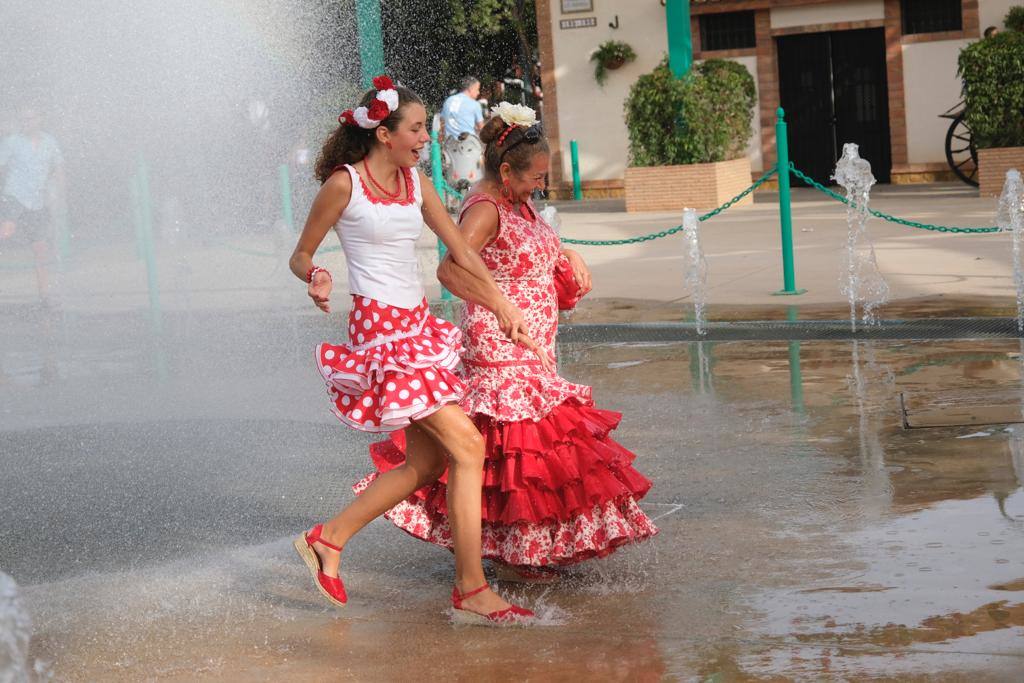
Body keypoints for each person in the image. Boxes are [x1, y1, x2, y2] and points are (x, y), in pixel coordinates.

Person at [289, 77, 551, 625]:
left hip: (417, 328)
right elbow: (301, 254)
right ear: (384, 134)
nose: (425, 139)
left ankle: (328, 539)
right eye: (415, 129)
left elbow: (461, 253)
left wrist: (502, 307)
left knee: (429, 460)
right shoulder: (345, 185)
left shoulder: (417, 185)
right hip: (380, 334)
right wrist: (316, 275)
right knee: (469, 445)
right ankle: (472, 588)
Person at [361, 103, 658, 581]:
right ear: (505, 169)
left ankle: (520, 547)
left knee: (522, 453)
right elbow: (450, 269)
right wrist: (499, 305)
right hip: (501, 345)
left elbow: (529, 245)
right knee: (523, 447)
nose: (541, 185)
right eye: (535, 176)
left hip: (533, 341)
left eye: (544, 176)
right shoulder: (484, 207)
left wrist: (568, 255)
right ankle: (516, 553)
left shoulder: (519, 200)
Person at [0, 105, 65, 305]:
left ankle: (44, 295)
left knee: (40, 248)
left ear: (40, 119)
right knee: (6, 231)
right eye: (24, 119)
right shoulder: (13, 142)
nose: (27, 122)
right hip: (15, 196)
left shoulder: (49, 142)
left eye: (31, 118)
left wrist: (60, 193)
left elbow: (59, 167)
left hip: (37, 201)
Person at [440, 76, 484, 141]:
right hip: (467, 145)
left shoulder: (449, 100)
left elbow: (442, 121)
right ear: (471, 89)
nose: (478, 93)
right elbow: (482, 129)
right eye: (477, 89)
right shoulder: (474, 104)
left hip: (449, 144)